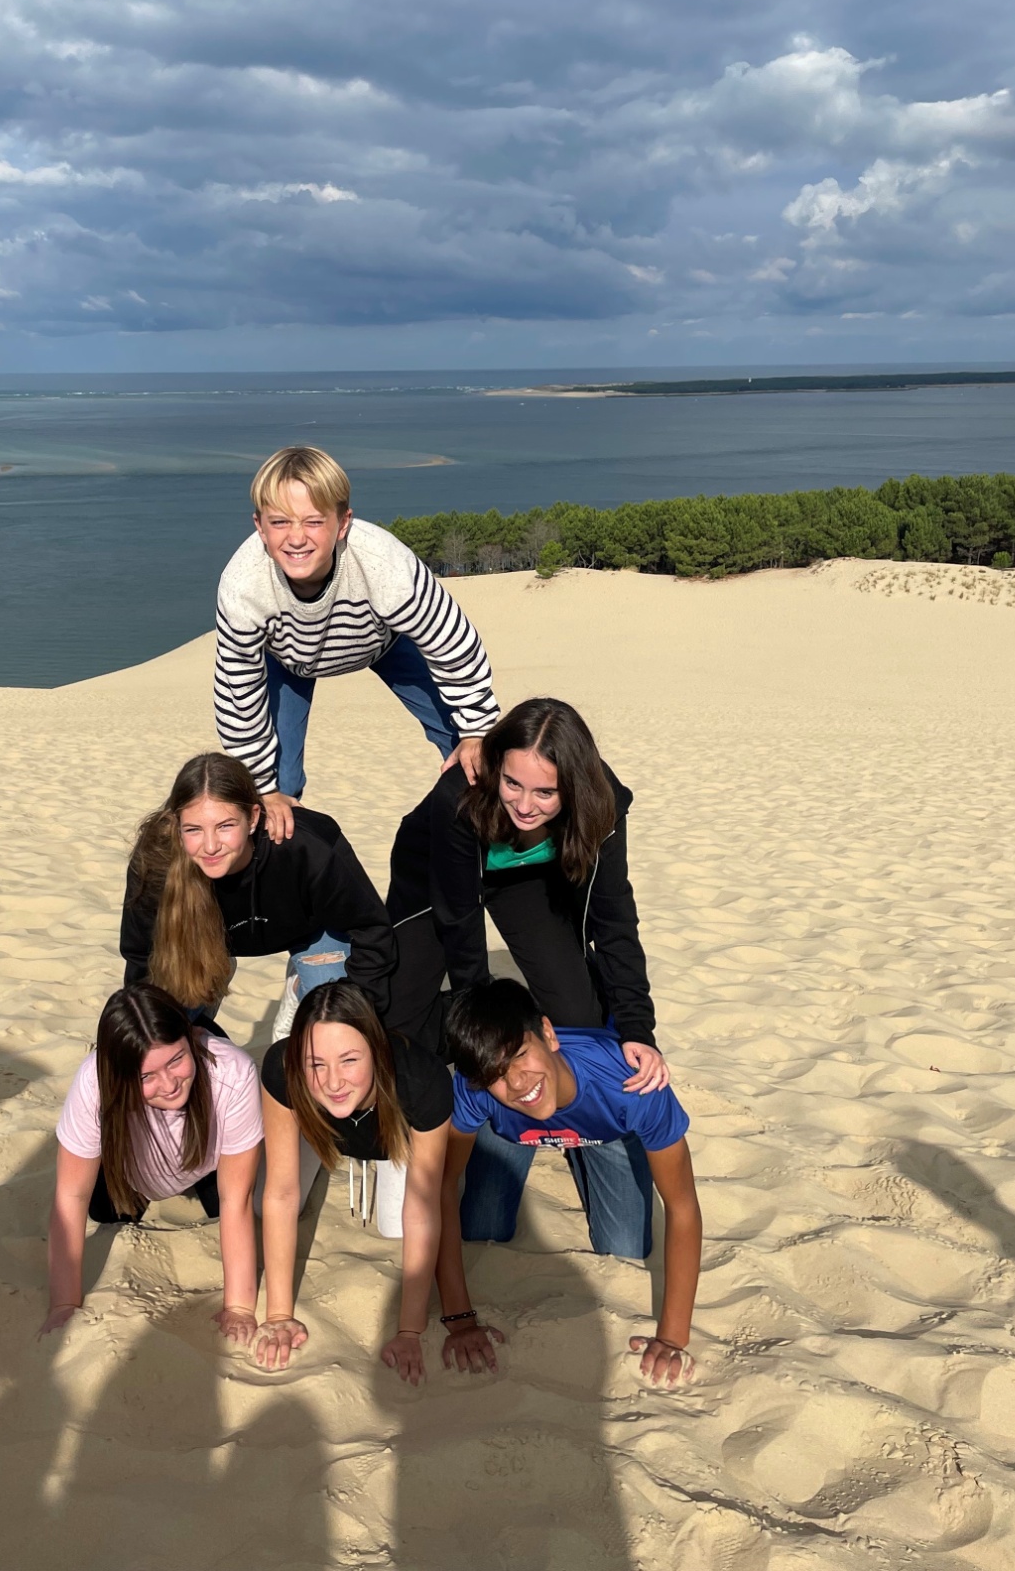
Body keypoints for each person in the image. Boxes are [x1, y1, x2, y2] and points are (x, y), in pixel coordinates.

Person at [384, 695, 668, 1255]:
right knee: (402, 1022)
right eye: (513, 784)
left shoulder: (603, 807)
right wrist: (481, 1030)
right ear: (495, 766)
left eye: (545, 792)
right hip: (437, 877)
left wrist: (637, 1028)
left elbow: (614, 922)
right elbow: (459, 924)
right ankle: (468, 1111)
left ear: (575, 788)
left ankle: (579, 1133)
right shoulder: (460, 795)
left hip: (523, 878)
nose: (526, 804)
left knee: (580, 1014)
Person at [214, 445, 500, 845]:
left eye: (314, 521)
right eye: (280, 522)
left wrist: (477, 728)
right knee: (274, 792)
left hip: (385, 642)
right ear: (260, 527)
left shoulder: (384, 564)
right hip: (289, 659)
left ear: (343, 523)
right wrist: (263, 785)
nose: (296, 538)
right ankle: (278, 877)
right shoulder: (244, 587)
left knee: (472, 751)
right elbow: (237, 693)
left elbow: (451, 642)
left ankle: (490, 843)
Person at [435, 979, 701, 1388]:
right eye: (497, 1075)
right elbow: (441, 1189)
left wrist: (672, 1337)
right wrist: (459, 1319)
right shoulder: (477, 1088)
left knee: (626, 1247)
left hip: (608, 1125)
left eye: (521, 1055)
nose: (518, 1082)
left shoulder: (632, 1083)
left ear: (548, 1033)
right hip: (512, 1128)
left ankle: (579, 1149)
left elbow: (682, 1206)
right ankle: (564, 1143)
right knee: (481, 1228)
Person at [42, 983, 263, 1344]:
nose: (170, 1084)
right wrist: (63, 1305)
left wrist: (239, 1307)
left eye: (176, 1059)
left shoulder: (233, 1073)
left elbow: (236, 1198)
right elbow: (70, 1195)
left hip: (206, 1166)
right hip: (131, 1172)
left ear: (190, 1038)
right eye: (147, 1076)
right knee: (104, 1209)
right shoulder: (94, 1082)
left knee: (231, 1206)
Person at [255, 981, 452, 1383]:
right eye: (316, 1063)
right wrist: (278, 1316)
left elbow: (424, 1206)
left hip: (396, 1135)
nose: (332, 1081)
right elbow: (281, 1190)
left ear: (375, 1053)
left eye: (349, 1060)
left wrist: (409, 1332)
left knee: (397, 1224)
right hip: (324, 1129)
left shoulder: (421, 1080)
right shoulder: (282, 1068)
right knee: (262, 1204)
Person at [119, 751, 396, 1020]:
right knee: (169, 1025)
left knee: (339, 1016)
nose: (211, 846)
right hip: (207, 941)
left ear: (252, 818)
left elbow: (371, 930)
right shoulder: (156, 860)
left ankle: (302, 990)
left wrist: (361, 1017)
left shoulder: (304, 847)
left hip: (311, 932)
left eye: (225, 826)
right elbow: (142, 958)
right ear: (177, 825)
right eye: (193, 829)